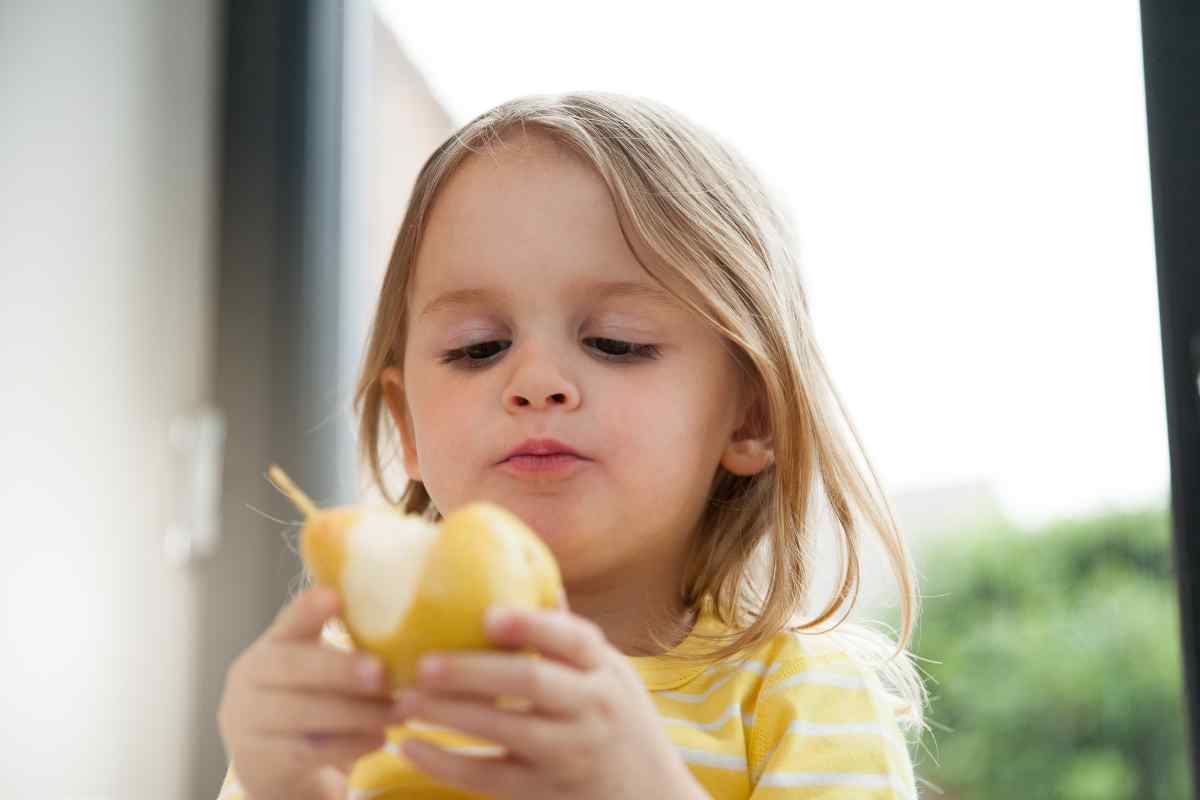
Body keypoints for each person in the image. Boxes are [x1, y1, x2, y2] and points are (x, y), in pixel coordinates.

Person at [215, 91, 932, 800]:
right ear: (408, 426)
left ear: (751, 417)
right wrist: (284, 784)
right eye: (479, 348)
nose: (535, 382)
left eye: (615, 342)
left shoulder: (804, 702)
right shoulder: (350, 695)